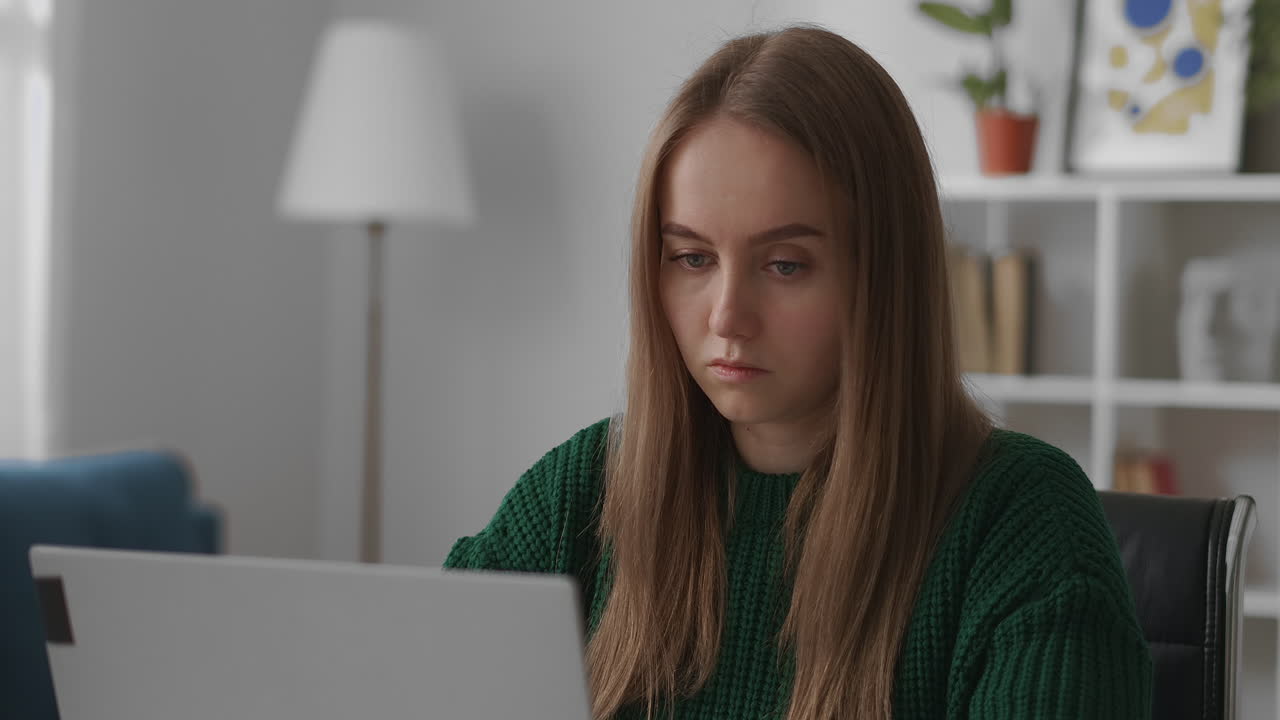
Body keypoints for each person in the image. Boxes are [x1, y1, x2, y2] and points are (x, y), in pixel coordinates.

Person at [444, 24, 1152, 720]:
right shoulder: (585, 491)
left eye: (785, 265)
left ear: (884, 276)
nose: (727, 316)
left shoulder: (1022, 522)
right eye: (692, 258)